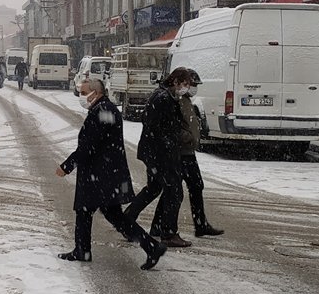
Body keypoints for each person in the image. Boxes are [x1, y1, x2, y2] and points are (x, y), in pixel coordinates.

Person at [56, 77, 167, 270]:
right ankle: (150, 246)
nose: (81, 96)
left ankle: (83, 250)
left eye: (84, 93)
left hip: (100, 174)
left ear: (96, 92)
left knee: (86, 210)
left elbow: (89, 146)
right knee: (111, 215)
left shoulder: (103, 111)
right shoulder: (105, 109)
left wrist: (67, 165)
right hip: (107, 173)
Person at [124, 67, 188, 244]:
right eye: (184, 84)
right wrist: (168, 143)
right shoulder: (163, 98)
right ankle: (168, 233)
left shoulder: (165, 96)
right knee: (174, 191)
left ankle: (129, 220)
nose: (186, 88)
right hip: (159, 154)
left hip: (155, 152)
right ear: (175, 81)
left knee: (154, 188)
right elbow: (152, 124)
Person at [176, 69, 223, 239]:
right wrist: (187, 137)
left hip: (187, 151)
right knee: (176, 190)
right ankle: (198, 224)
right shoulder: (177, 101)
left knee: (191, 187)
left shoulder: (186, 100)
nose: (195, 88)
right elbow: (174, 126)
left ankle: (200, 224)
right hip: (181, 152)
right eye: (193, 84)